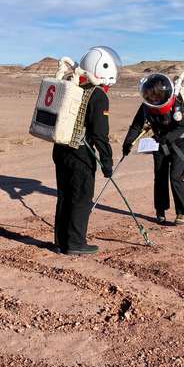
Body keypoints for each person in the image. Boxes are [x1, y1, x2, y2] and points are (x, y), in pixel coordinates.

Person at [53, 46, 121, 255]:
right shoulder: (98, 95)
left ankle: (61, 241)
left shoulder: (73, 85)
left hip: (60, 149)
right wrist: (107, 162)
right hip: (80, 154)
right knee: (81, 198)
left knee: (65, 196)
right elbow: (100, 134)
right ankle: (75, 243)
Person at [122, 72, 184, 225]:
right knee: (159, 176)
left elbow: (181, 127)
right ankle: (160, 210)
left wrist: (165, 138)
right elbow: (136, 125)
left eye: (155, 96)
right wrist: (128, 142)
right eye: (149, 96)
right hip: (159, 143)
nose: (152, 99)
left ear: (161, 93)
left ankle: (181, 213)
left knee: (175, 177)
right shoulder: (146, 106)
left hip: (179, 143)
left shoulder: (176, 102)